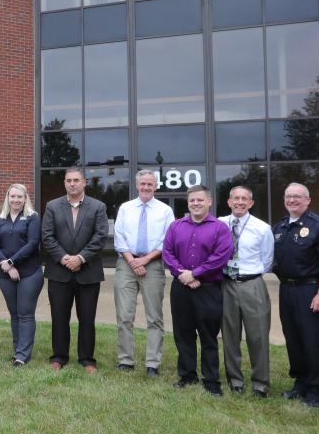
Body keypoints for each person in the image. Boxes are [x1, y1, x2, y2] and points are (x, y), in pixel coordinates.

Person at [162, 185, 232, 395]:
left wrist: (196, 273)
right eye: (192, 200)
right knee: (183, 334)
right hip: (181, 288)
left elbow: (221, 256)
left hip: (208, 289)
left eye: (200, 200)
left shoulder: (220, 228)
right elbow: (167, 253)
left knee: (208, 336)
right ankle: (187, 375)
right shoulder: (176, 226)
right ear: (188, 202)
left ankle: (211, 380)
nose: (195, 204)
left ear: (209, 202)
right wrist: (183, 274)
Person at [271, 183, 319, 407]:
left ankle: (318, 391)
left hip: (311, 290)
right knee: (294, 339)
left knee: (313, 341)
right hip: (287, 290)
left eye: (297, 197)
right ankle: (300, 383)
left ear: (307, 200)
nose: (292, 200)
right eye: (288, 196)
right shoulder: (279, 227)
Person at [41, 168, 108, 372]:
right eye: (69, 180)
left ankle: (87, 359)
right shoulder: (52, 206)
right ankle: (59, 357)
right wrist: (64, 258)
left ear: (84, 182)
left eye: (76, 180)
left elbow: (100, 236)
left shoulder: (98, 207)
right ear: (64, 183)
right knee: (59, 317)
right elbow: (47, 236)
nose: (72, 184)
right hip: (59, 272)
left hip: (88, 272)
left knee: (87, 318)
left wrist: (80, 258)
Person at [111, 170, 175, 376]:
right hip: (126, 264)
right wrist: (132, 261)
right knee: (124, 315)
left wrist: (145, 260)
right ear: (137, 186)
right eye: (143, 184)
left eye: (150, 184)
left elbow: (168, 240)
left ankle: (152, 364)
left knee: (154, 317)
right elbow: (119, 237)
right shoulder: (125, 208)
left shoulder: (165, 211)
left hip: (153, 264)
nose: (146, 187)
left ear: (156, 186)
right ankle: (125, 360)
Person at [218, 186, 275, 396]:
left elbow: (267, 260)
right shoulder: (219, 224)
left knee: (258, 336)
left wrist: (249, 274)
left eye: (244, 199)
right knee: (230, 335)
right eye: (236, 198)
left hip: (253, 285)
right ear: (229, 201)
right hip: (226, 284)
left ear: (251, 203)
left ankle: (260, 383)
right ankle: (235, 381)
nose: (239, 202)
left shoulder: (262, 228)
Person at [0, 184, 43, 367]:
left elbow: (33, 242)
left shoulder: (32, 217)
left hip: (29, 273)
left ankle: (22, 355)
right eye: (12, 196)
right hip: (5, 274)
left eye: (19, 197)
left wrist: (12, 262)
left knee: (25, 314)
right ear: (7, 197)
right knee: (14, 315)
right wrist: (5, 265)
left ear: (25, 198)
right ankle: (18, 350)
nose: (16, 200)